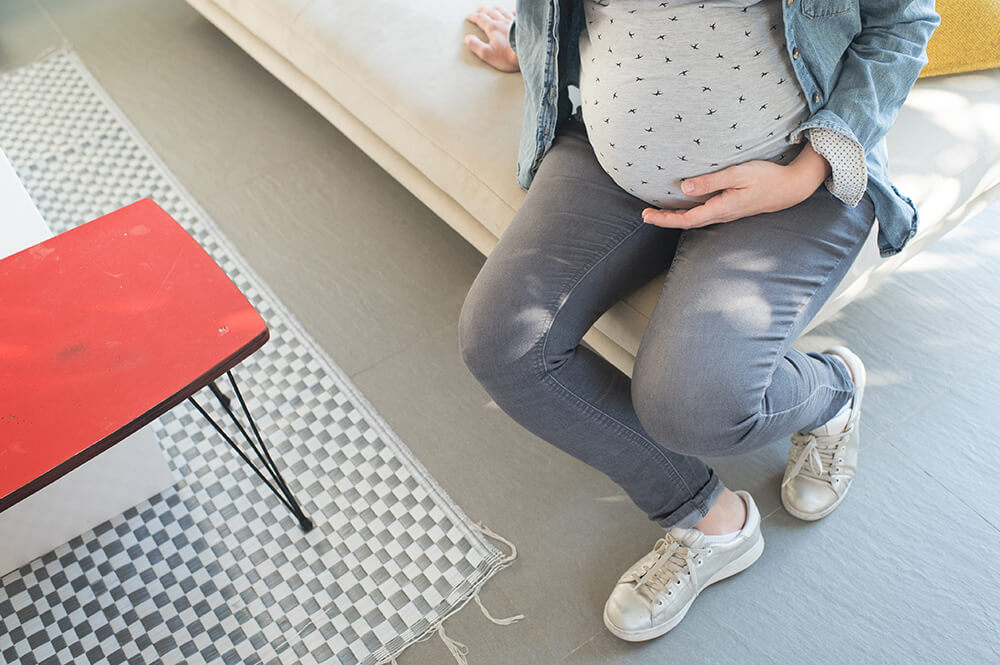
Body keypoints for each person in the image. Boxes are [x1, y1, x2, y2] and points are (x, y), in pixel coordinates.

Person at [460, 0, 939, 642]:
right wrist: (533, 41)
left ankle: (833, 392)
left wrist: (807, 173)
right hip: (610, 167)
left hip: (789, 176)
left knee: (694, 409)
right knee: (502, 345)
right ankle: (708, 519)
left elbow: (901, 21)